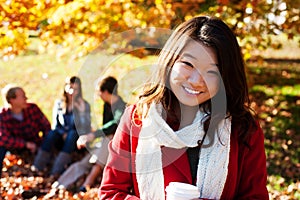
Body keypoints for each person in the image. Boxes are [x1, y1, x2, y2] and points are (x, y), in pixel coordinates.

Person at [99, 16, 269, 199]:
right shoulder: (137, 119)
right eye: (188, 64)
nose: (196, 81)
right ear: (170, 61)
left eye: (212, 71)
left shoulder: (243, 128)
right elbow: (111, 192)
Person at [48, 76, 126, 194]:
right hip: (105, 147)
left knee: (108, 139)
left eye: (99, 92)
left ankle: (88, 182)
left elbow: (113, 125)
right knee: (83, 163)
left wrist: (92, 135)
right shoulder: (107, 105)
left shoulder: (122, 107)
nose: (98, 95)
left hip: (118, 148)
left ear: (105, 92)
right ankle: (59, 185)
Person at [33, 76, 91, 177]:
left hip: (75, 140)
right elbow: (56, 124)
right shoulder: (59, 103)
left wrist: (81, 113)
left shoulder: (84, 105)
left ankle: (56, 170)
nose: (72, 92)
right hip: (61, 136)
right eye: (70, 88)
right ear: (65, 87)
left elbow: (85, 129)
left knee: (72, 134)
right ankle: (37, 166)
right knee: (51, 134)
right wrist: (63, 133)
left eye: (75, 89)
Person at [0, 84, 51, 177]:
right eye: (23, 96)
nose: (26, 98)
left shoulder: (32, 108)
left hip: (35, 143)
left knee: (52, 136)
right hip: (16, 147)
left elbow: (46, 126)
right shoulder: (2, 115)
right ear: (12, 100)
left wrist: (44, 142)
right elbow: (3, 138)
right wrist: (25, 144)